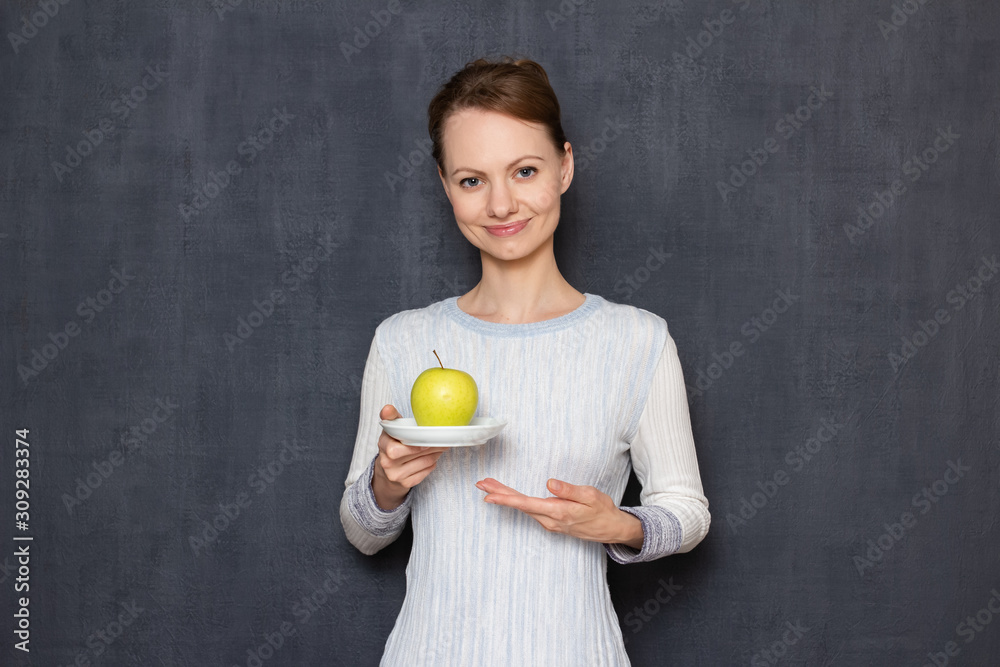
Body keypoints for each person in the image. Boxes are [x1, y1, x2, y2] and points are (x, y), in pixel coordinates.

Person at [340, 55, 710, 666]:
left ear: (565, 166)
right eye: (472, 180)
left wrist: (620, 525)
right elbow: (362, 533)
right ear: (445, 186)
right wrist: (385, 486)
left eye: (525, 170)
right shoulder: (402, 341)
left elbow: (688, 513)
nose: (502, 204)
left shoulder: (637, 341)